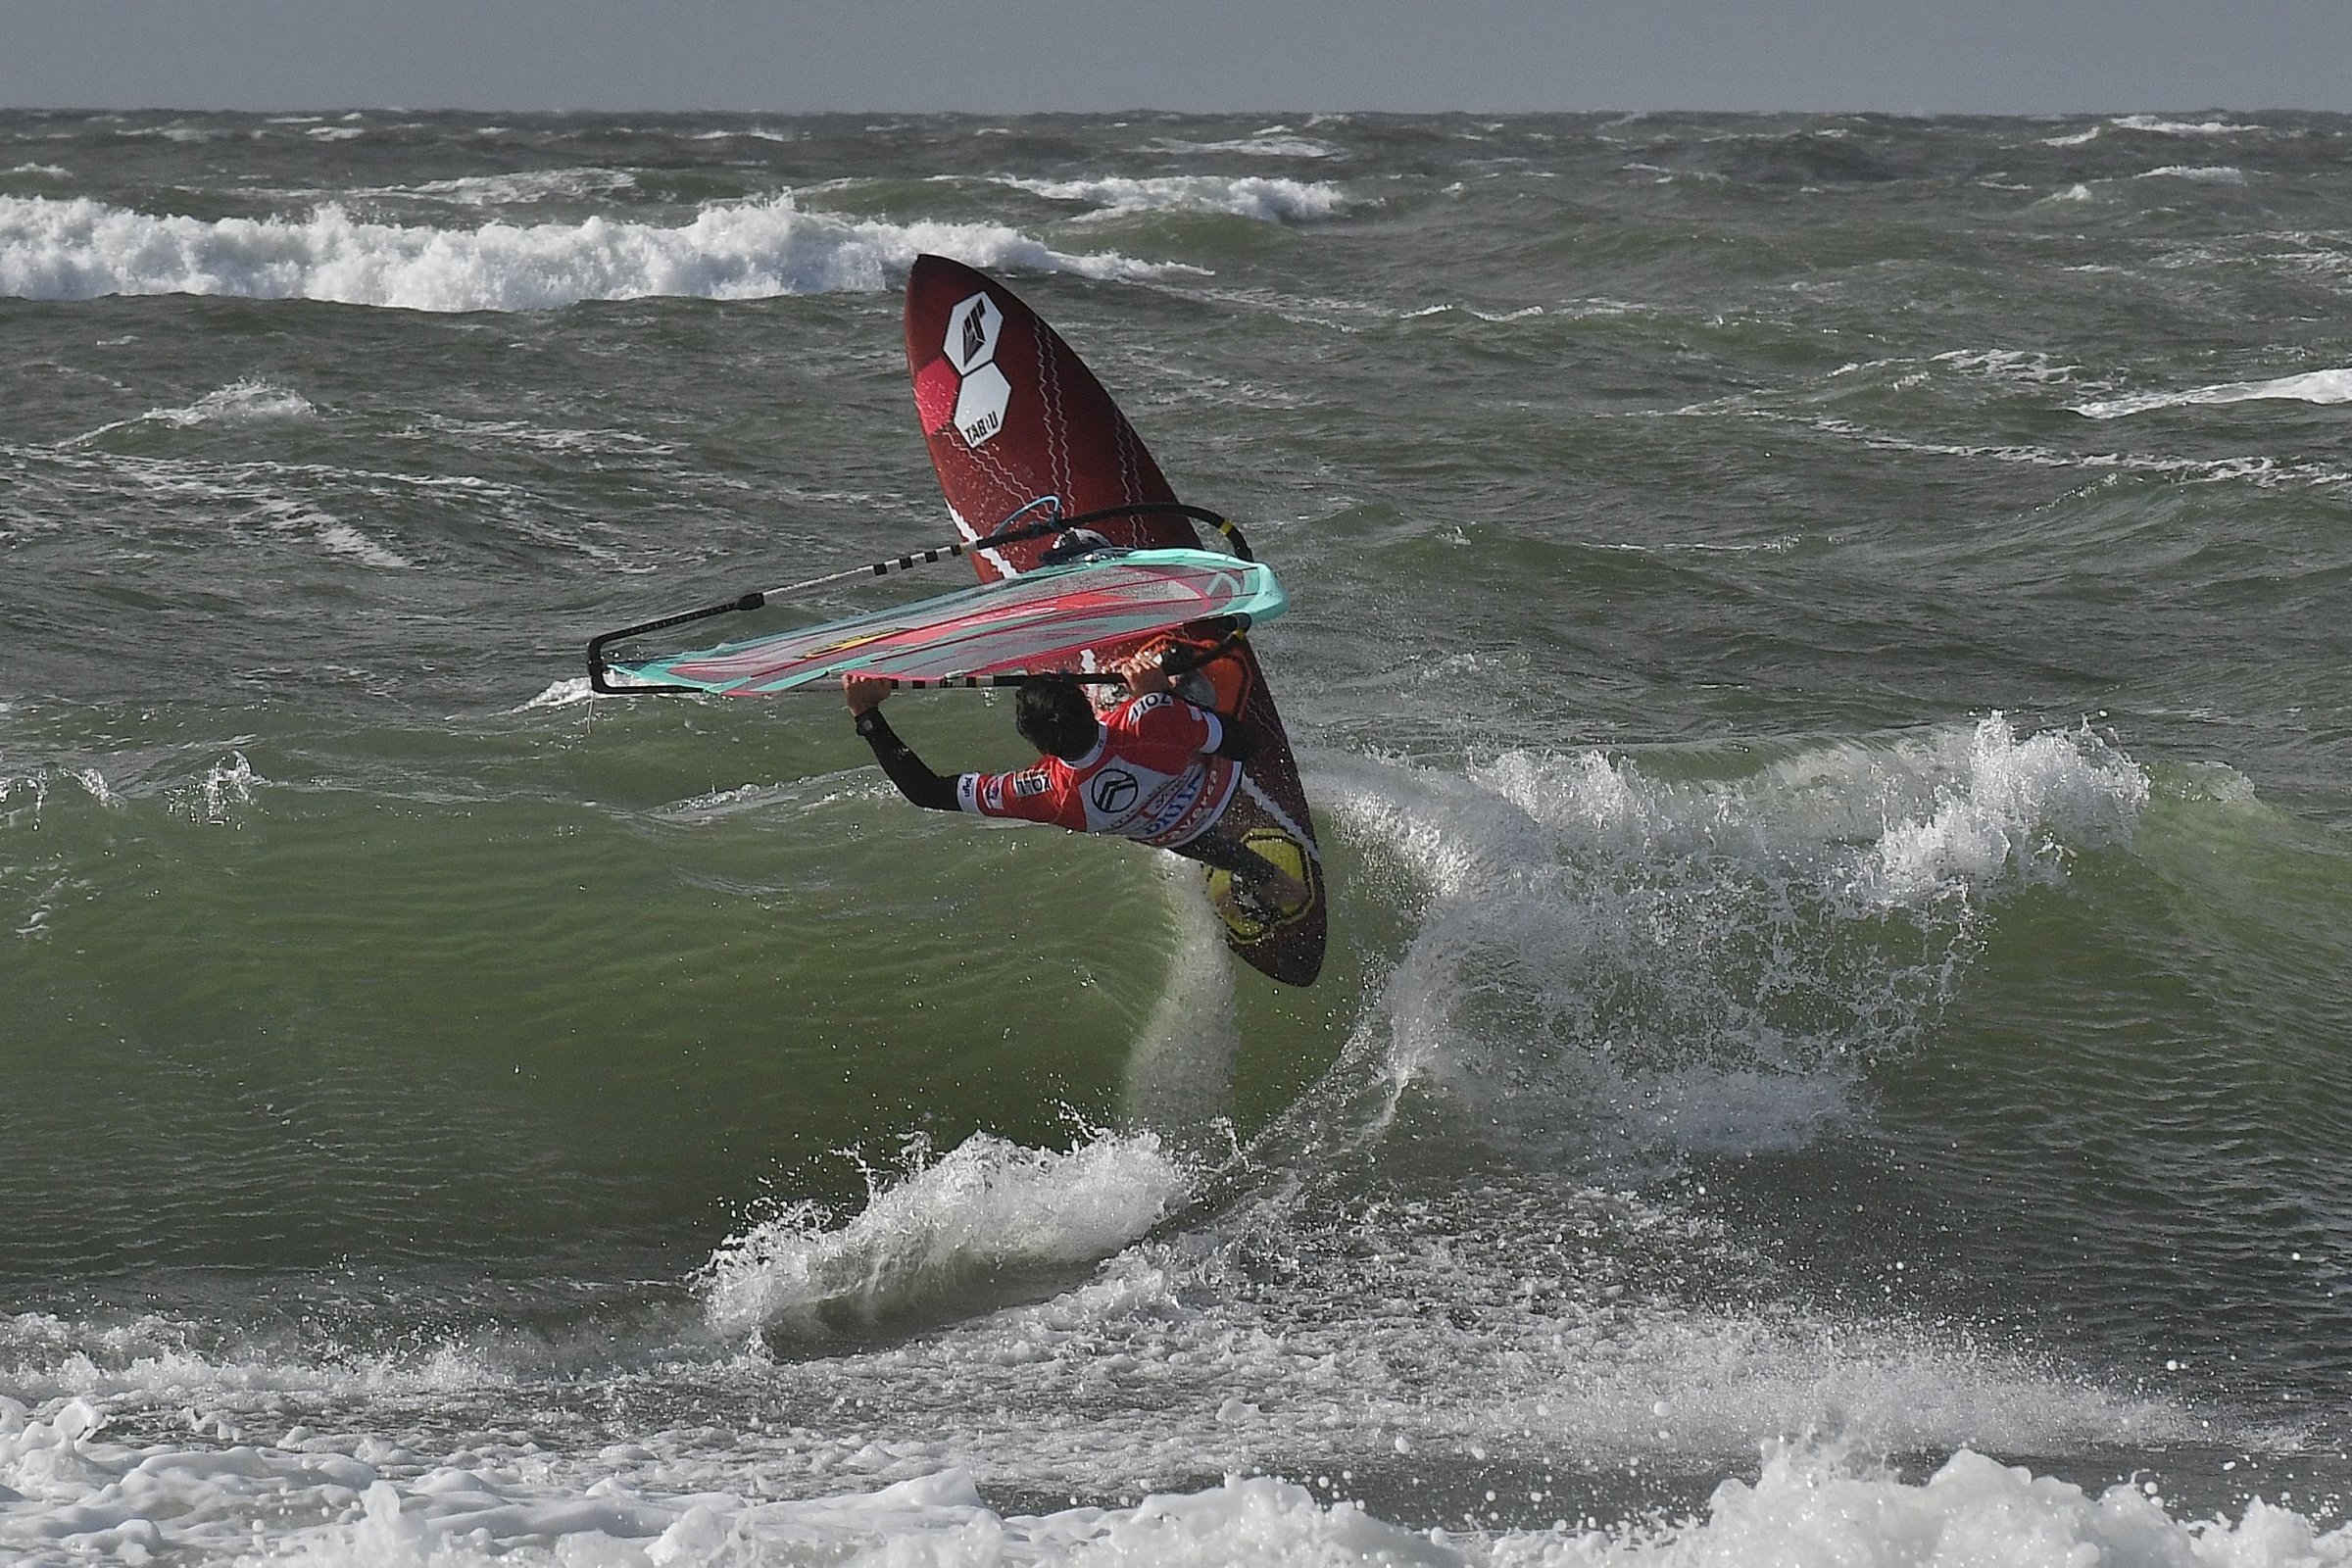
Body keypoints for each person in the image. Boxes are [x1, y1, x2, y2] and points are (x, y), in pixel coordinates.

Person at [842, 651, 1311, 917]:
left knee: (1173, 830)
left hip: (1176, 832)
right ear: (1090, 708)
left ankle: (1271, 879)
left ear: (1042, 749)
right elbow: (1242, 744)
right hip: (1220, 787)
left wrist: (867, 715)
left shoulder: (1046, 792)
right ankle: (1274, 878)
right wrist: (1158, 689)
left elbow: (926, 791)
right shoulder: (1147, 719)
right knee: (1179, 666)